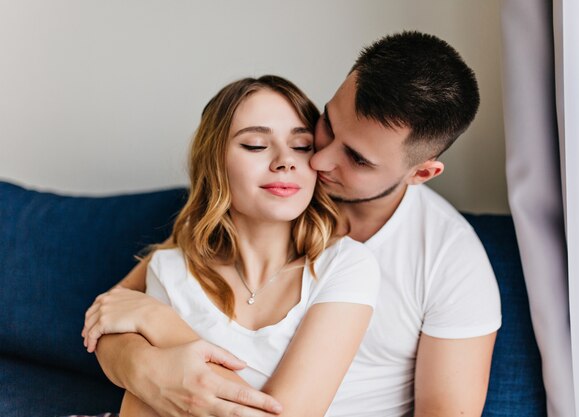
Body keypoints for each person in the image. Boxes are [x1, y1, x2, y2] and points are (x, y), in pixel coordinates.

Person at [87, 31, 501, 417]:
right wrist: (141, 367)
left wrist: (167, 335)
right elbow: (115, 311)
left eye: (356, 158)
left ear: (421, 173)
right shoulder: (268, 199)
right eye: (326, 126)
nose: (317, 161)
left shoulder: (450, 261)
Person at [82, 75, 380, 416]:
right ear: (215, 161)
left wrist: (161, 323)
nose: (286, 160)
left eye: (301, 146)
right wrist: (141, 365)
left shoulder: (345, 265)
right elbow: (106, 321)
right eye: (255, 144)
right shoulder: (173, 268)